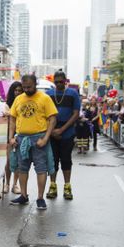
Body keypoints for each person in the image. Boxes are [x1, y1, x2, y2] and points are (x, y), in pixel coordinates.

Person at [9, 74, 57, 210]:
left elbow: (52, 119)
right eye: (24, 87)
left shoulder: (45, 98)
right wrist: (11, 137)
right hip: (21, 138)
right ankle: (23, 195)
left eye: (29, 87)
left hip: (39, 138)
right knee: (22, 168)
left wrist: (46, 138)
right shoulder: (18, 99)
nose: (26, 89)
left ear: (35, 84)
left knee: (41, 169)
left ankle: (40, 198)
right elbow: (12, 119)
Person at [46, 71, 80, 200]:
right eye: (56, 82)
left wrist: (61, 130)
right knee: (52, 161)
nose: (59, 84)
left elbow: (76, 114)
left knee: (66, 160)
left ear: (66, 81)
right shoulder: (48, 94)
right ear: (54, 82)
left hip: (67, 133)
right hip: (51, 132)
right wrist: (53, 130)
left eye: (61, 81)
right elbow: (45, 115)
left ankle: (67, 186)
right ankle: (53, 186)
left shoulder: (73, 93)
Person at [5, 81, 23, 194]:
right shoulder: (7, 105)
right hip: (8, 134)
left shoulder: (25, 103)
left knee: (19, 162)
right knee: (8, 161)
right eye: (15, 90)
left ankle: (15, 184)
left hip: (21, 134)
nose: (17, 92)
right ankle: (7, 183)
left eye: (19, 90)